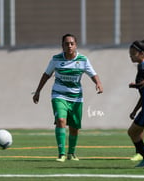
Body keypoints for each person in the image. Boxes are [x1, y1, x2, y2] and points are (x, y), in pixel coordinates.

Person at [33, 33, 103, 162]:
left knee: (74, 128)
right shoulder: (56, 59)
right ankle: (61, 154)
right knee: (60, 120)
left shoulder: (83, 60)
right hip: (59, 95)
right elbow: (46, 75)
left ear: (76, 45)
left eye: (72, 43)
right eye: (66, 44)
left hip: (76, 98)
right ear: (62, 46)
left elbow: (93, 74)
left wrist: (98, 83)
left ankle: (71, 153)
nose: (69, 46)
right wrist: (38, 91)